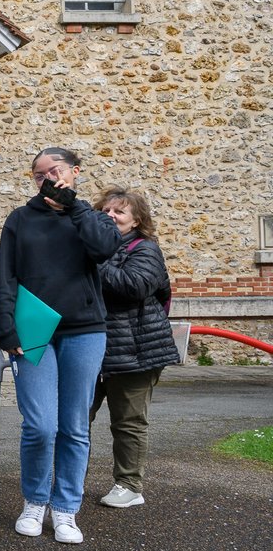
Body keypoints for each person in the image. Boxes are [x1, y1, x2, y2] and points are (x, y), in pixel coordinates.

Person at [0, 148, 120, 544]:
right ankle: (35, 500)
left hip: (84, 330)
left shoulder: (94, 218)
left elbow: (103, 250)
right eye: (39, 174)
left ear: (74, 173)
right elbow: (6, 274)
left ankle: (65, 509)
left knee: (74, 426)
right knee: (41, 426)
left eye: (55, 171)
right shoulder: (20, 218)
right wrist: (4, 327)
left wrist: (75, 208)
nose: (47, 178)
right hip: (33, 331)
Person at [90, 186, 180, 509]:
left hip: (136, 350)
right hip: (90, 346)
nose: (111, 216)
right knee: (76, 418)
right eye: (106, 211)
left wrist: (94, 262)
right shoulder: (91, 247)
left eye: (119, 212)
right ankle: (70, 478)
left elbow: (134, 286)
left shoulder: (146, 249)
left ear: (136, 220)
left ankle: (129, 485)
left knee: (128, 421)